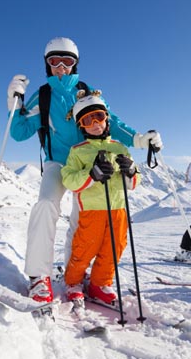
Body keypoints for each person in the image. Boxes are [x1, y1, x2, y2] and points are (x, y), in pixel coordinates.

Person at [6, 37, 162, 303]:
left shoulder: (87, 90)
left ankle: (74, 276)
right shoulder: (43, 95)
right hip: (58, 163)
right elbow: (19, 133)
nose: (61, 67)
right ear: (47, 64)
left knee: (83, 221)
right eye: (54, 61)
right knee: (45, 204)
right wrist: (14, 104)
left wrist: (138, 140)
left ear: (75, 64)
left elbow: (110, 122)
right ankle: (38, 276)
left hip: (91, 164)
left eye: (67, 61)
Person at [60, 93, 140, 306]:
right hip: (93, 209)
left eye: (98, 117)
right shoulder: (77, 151)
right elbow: (69, 179)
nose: (95, 124)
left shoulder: (120, 147)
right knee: (85, 247)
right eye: (87, 120)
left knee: (114, 248)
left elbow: (133, 183)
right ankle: (73, 282)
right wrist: (91, 174)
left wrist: (131, 171)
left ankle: (99, 284)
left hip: (118, 208)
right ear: (81, 126)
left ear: (106, 118)